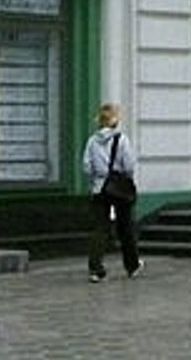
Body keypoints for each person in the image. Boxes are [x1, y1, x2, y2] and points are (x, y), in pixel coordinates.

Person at [82, 101, 141, 283]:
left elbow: (86, 167)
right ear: (115, 120)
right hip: (119, 188)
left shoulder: (92, 141)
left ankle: (96, 269)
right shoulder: (121, 140)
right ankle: (132, 265)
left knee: (99, 229)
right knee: (125, 227)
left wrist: (97, 178)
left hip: (99, 188)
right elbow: (129, 166)